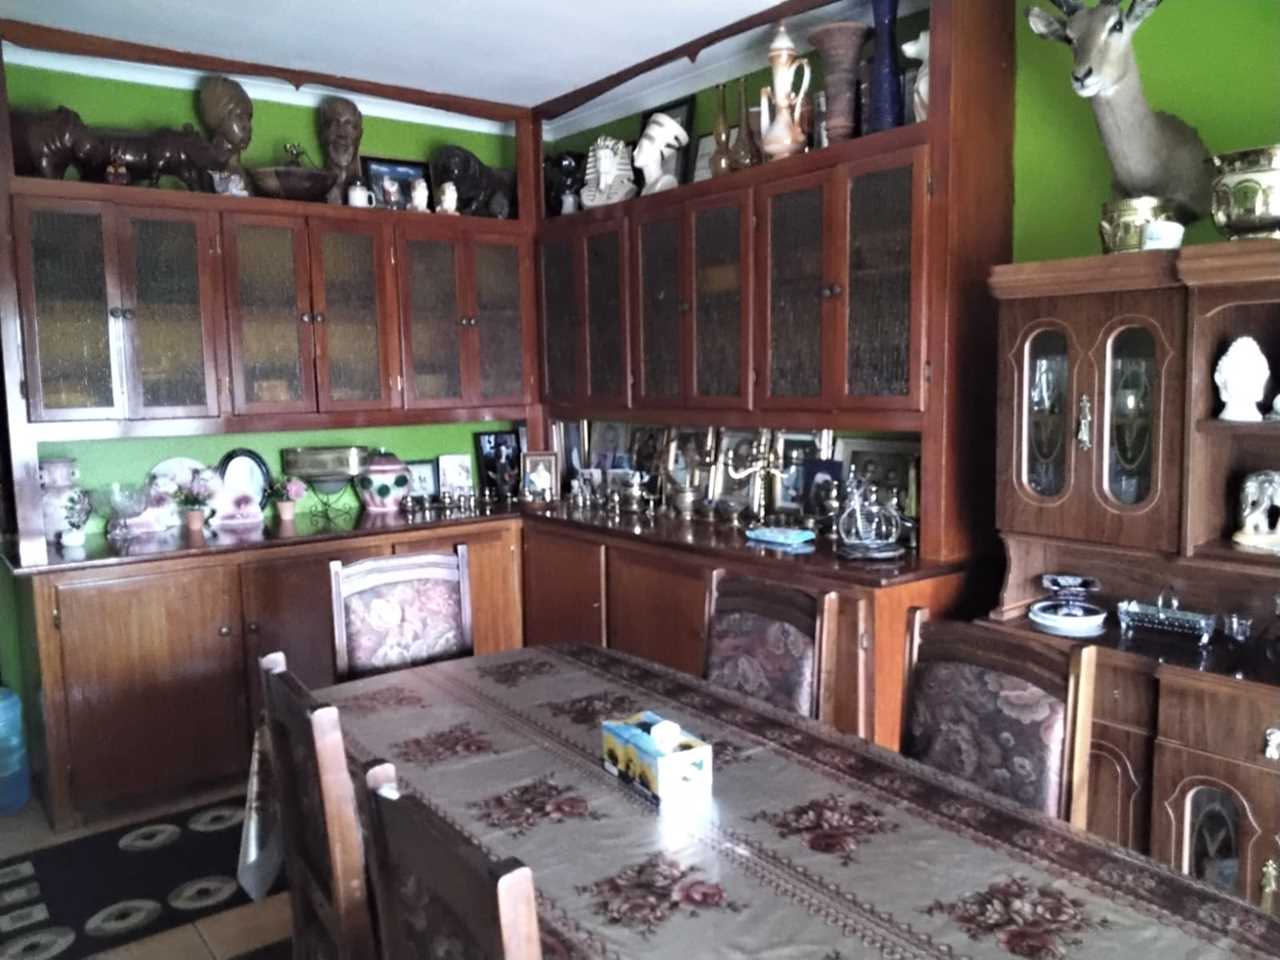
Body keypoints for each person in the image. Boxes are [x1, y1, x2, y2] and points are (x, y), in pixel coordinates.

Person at [320, 97, 363, 205]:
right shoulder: (316, 188)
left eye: (349, 125)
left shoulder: (365, 190)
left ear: (359, 134)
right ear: (323, 133)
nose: (342, 135)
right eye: (335, 124)